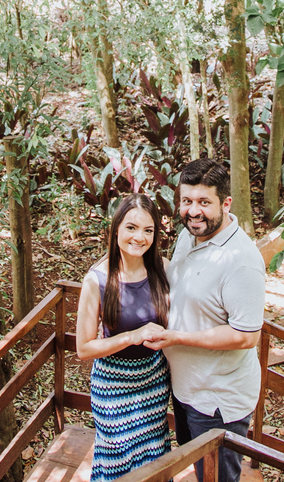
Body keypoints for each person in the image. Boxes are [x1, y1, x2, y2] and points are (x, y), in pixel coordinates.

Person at [143, 158, 266, 482]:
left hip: (216, 402)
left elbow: (246, 336)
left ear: (226, 203)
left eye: (204, 202)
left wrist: (178, 338)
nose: (193, 211)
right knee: (195, 465)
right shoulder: (189, 235)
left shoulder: (241, 261)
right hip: (185, 389)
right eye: (186, 201)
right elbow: (184, 283)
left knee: (217, 478)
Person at [76, 193, 173, 482]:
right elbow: (84, 348)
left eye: (148, 230)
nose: (139, 237)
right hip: (113, 385)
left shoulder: (163, 268)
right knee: (117, 461)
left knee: (153, 459)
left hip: (154, 380)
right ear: (116, 228)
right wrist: (132, 336)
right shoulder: (97, 279)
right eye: (131, 227)